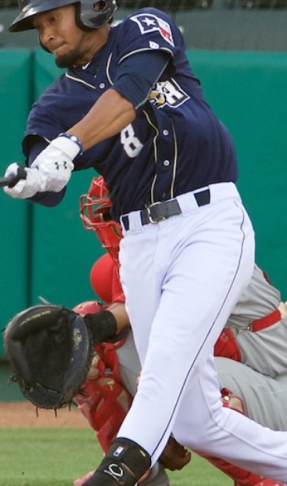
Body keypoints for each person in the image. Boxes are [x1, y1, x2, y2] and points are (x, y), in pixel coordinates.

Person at [1, 0, 287, 484]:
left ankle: (118, 474)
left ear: (91, 4)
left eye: (52, 18)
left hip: (208, 222)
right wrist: (37, 176)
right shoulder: (55, 102)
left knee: (165, 366)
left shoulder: (145, 28)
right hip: (141, 244)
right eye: (37, 27)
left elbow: (127, 95)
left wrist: (69, 144)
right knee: (197, 422)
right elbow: (48, 164)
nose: (46, 34)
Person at [74, 176, 287, 486]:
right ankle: (136, 472)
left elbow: (167, 307)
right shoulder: (123, 267)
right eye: (106, 214)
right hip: (241, 380)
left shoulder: (207, 245)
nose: (109, 221)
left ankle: (266, 481)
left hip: (278, 387)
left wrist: (95, 324)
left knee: (179, 380)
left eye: (113, 211)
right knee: (94, 353)